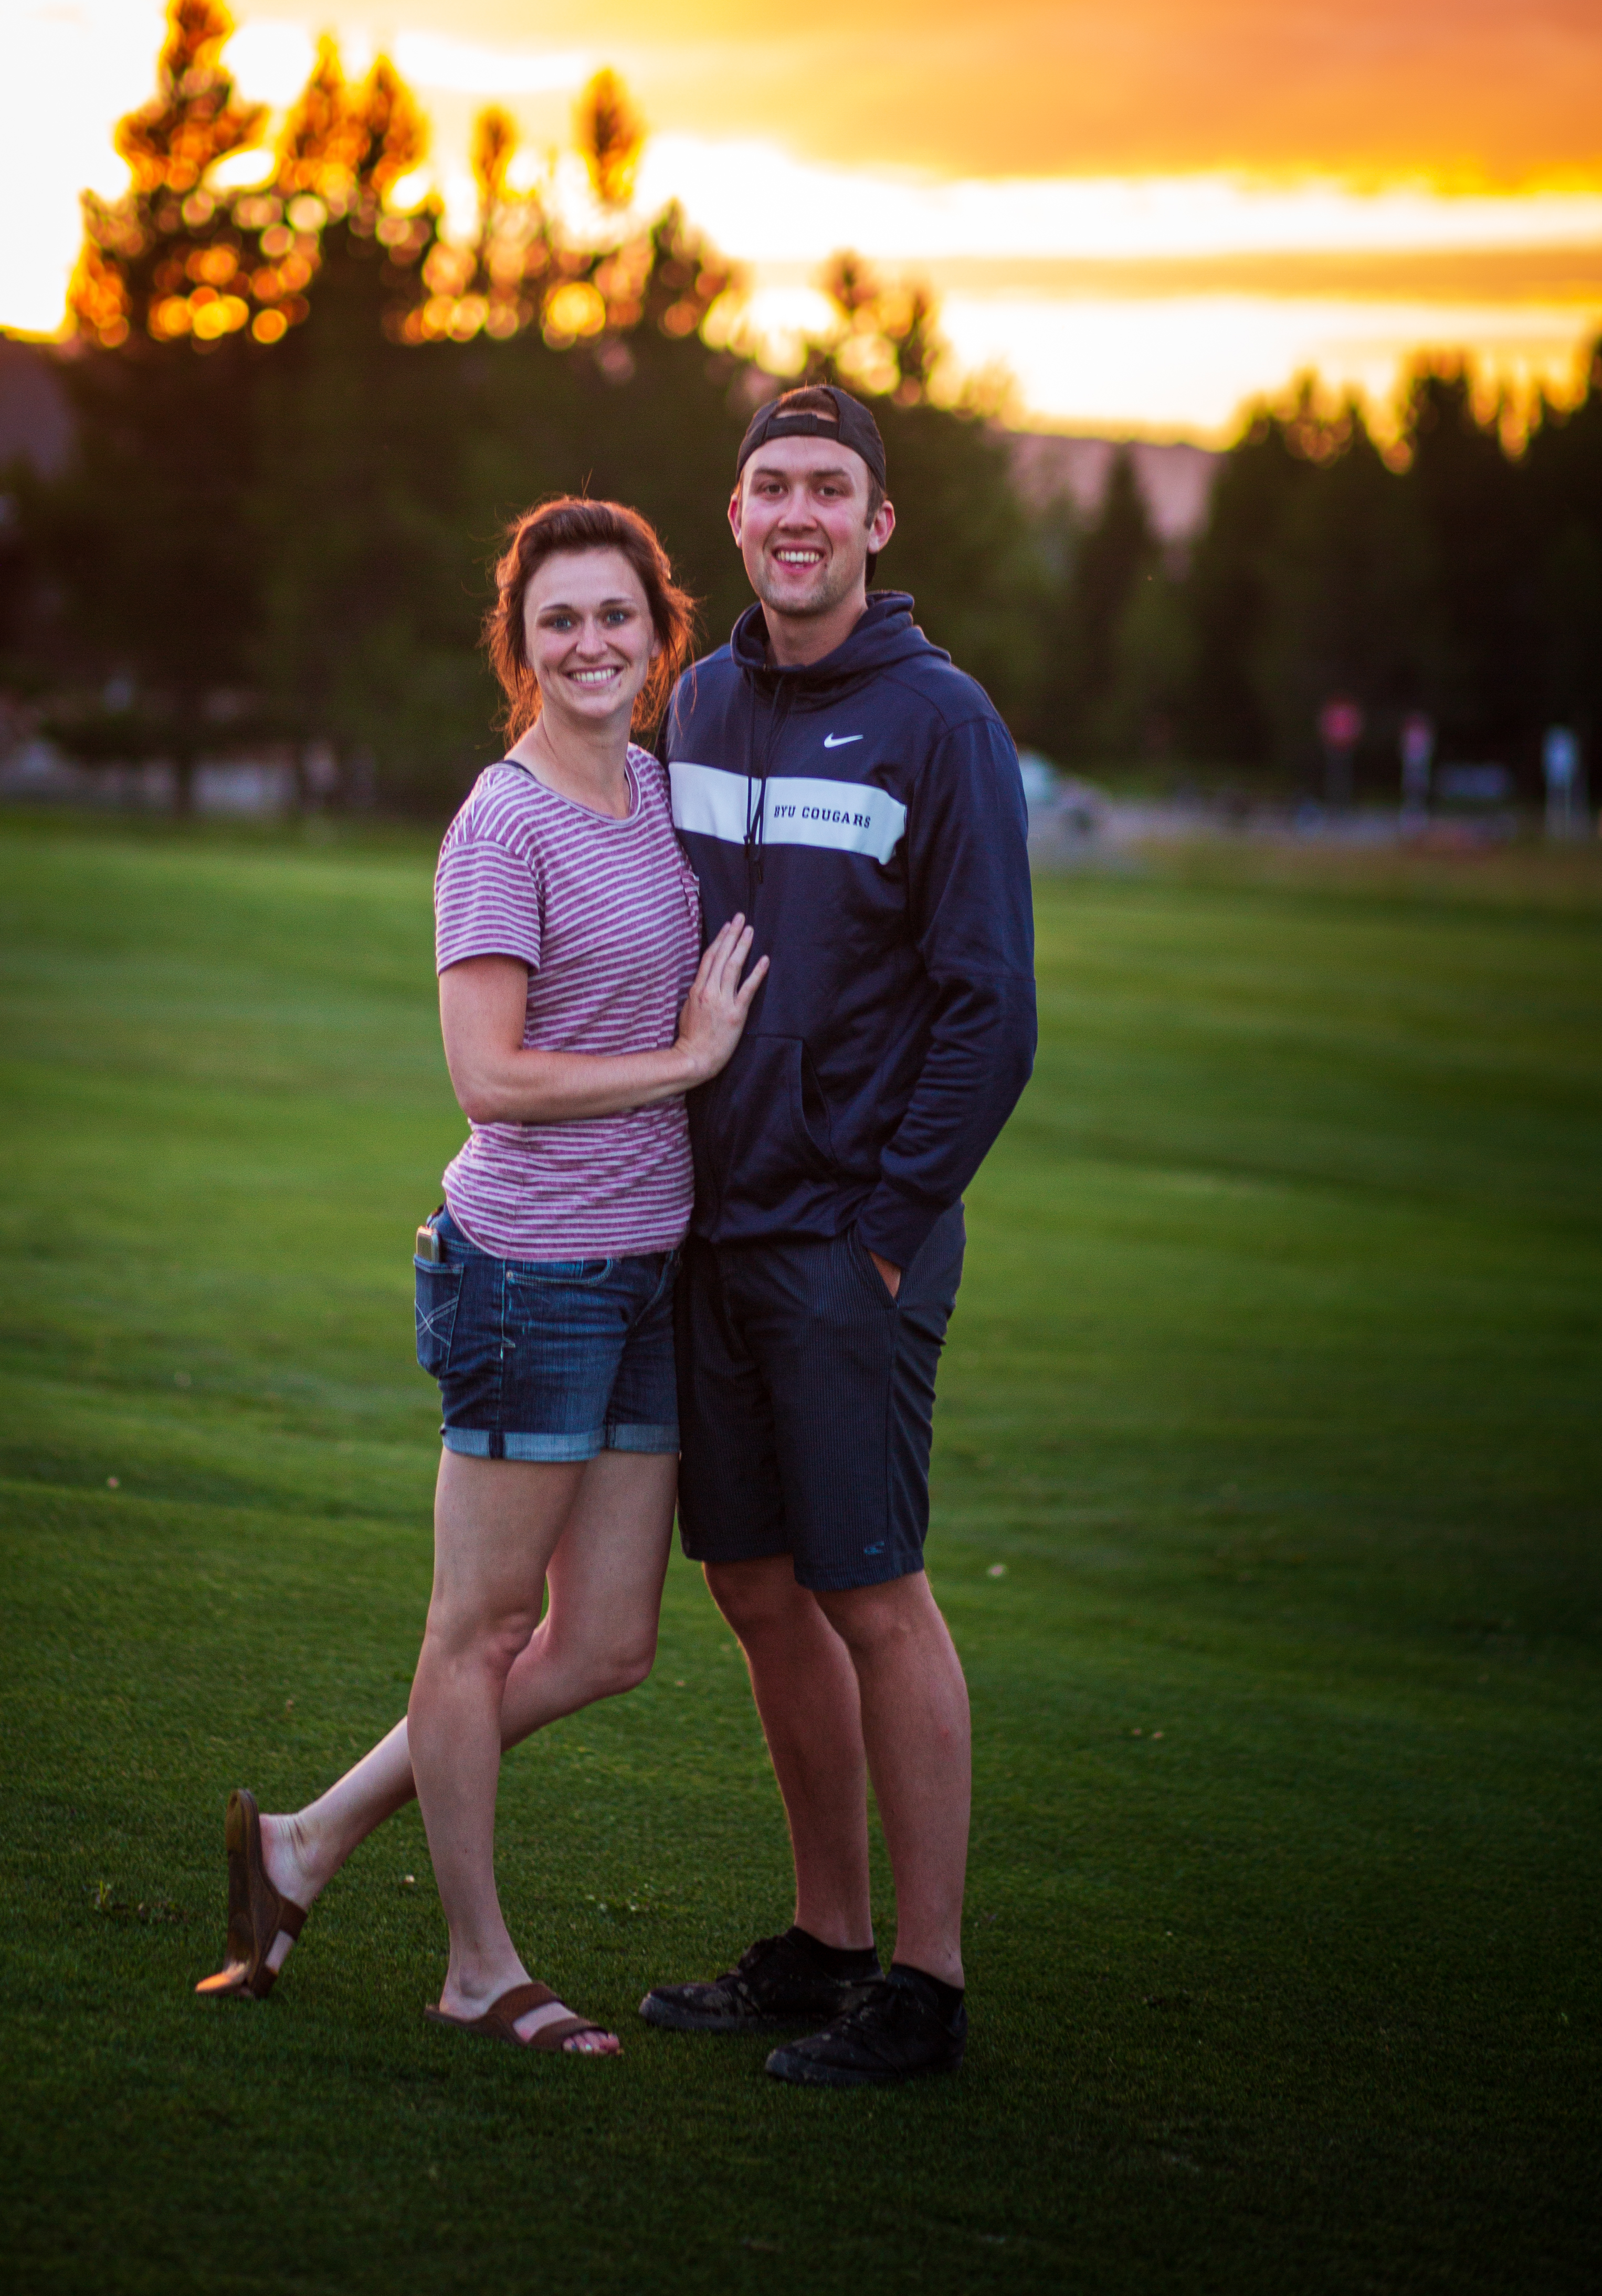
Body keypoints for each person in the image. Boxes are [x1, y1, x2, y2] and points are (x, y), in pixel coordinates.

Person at [198, 496, 767, 2054]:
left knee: (608, 1645)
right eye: (557, 620)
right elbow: (489, 1076)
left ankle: (305, 1843)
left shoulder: (664, 795)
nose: (591, 644)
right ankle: (473, 1968)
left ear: (663, 637)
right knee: (481, 1627)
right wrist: (687, 1061)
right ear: (517, 646)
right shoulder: (500, 824)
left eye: (617, 617)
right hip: (529, 1269)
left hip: (651, 1268)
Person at [641, 383, 1036, 2087]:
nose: (795, 513)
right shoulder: (701, 699)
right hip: (703, 1235)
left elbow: (991, 1010)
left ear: (878, 526)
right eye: (768, 487)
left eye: (830, 490)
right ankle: (823, 1942)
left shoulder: (942, 723)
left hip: (845, 1245)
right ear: (734, 519)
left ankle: (928, 1987)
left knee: (875, 1593)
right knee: (752, 1584)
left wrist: (887, 1229)